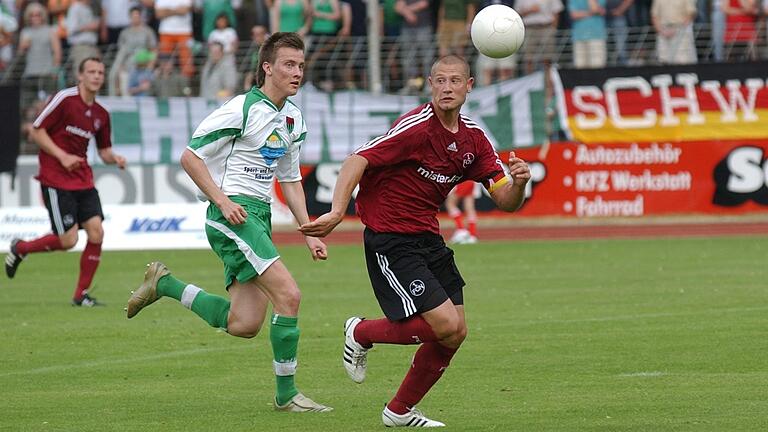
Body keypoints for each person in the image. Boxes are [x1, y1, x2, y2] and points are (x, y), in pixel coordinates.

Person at [299, 54, 531, 427]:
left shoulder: (474, 139)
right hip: (391, 237)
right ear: (430, 84)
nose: (447, 87)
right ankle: (359, 331)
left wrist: (518, 183)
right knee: (442, 324)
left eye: (455, 80)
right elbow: (356, 159)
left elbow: (505, 200)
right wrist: (338, 211)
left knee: (456, 332)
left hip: (427, 237)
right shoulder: (417, 127)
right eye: (440, 80)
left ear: (469, 86)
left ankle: (399, 411)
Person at [126, 32, 332, 413]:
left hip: (259, 216)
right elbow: (191, 156)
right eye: (289, 64)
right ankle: (287, 396)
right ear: (267, 68)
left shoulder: (292, 118)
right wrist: (222, 201)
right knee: (289, 296)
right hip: (232, 214)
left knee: (244, 323)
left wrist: (308, 231)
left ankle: (166, 285)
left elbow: (290, 179)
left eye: (301, 66)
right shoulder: (241, 108)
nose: (297, 72)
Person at [5, 57, 127, 307]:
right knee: (68, 240)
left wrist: (115, 158)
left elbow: (104, 152)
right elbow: (36, 130)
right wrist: (62, 156)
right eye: (91, 71)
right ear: (80, 76)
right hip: (55, 178)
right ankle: (21, 248)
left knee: (97, 232)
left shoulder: (102, 114)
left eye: (101, 72)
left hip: (83, 179)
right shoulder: (64, 99)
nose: (96, 76)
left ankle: (80, 295)